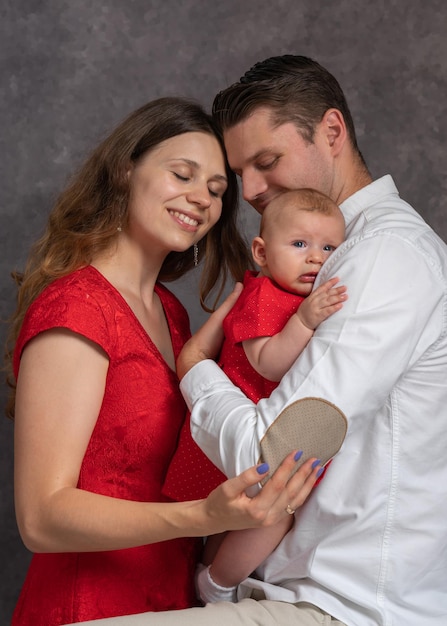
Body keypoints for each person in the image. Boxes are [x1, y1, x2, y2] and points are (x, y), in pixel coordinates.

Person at [78, 55, 447, 625]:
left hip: (340, 607)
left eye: (267, 161)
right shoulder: (330, 257)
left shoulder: (383, 257)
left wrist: (196, 367)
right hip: (278, 587)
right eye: (239, 172)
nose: (249, 191)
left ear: (331, 132)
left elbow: (273, 456)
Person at [4, 96, 325, 626]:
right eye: (183, 174)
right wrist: (201, 516)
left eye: (217, 190)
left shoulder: (171, 315)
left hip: (173, 602)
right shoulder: (77, 307)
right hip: (88, 609)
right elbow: (41, 517)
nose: (201, 198)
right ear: (126, 169)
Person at [163, 188, 347, 604]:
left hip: (262, 429)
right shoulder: (265, 296)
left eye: (329, 247)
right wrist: (305, 320)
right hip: (233, 431)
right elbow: (268, 363)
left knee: (237, 522)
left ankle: (209, 574)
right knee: (273, 515)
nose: (316, 257)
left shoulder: (298, 296)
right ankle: (217, 584)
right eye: (299, 244)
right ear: (261, 253)